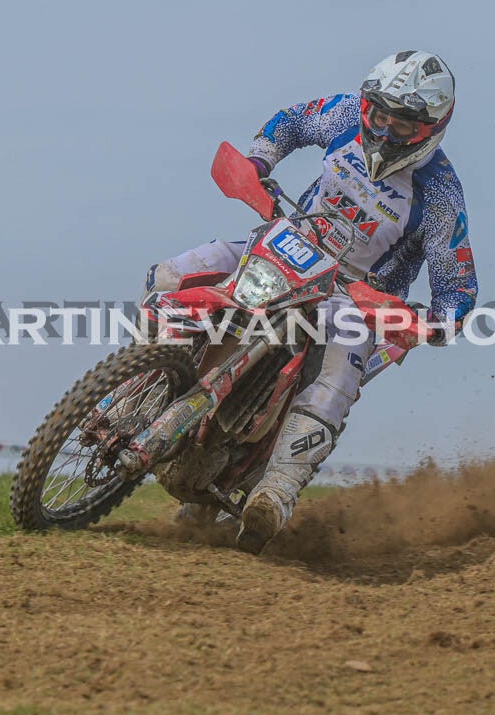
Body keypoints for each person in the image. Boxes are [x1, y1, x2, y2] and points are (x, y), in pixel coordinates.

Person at [143, 50, 478, 552]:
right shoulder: (344, 115)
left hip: (351, 296)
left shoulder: (440, 195)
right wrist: (260, 161)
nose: (385, 131)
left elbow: (458, 289)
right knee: (171, 275)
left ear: (431, 128)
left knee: (338, 372)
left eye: (403, 125)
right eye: (378, 115)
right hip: (284, 243)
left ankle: (277, 492)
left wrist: (427, 323)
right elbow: (291, 122)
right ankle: (142, 389)